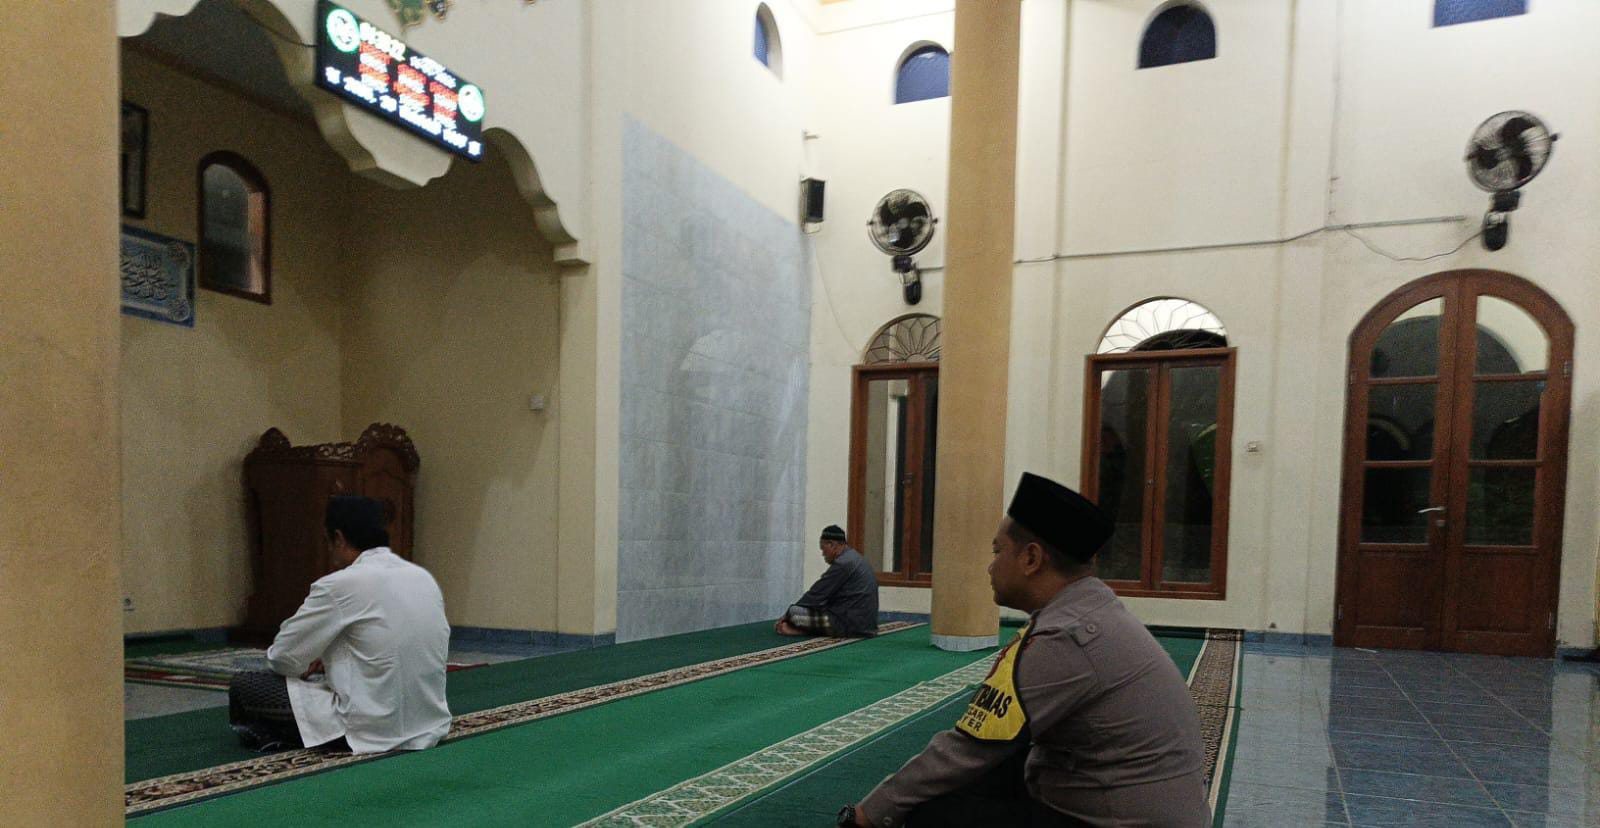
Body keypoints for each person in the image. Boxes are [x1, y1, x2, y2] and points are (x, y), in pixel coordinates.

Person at [841, 473, 1209, 828]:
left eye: (998, 551)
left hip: (1119, 818)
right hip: (1125, 803)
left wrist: (870, 813)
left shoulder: (1066, 637)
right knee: (991, 766)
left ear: (1031, 559)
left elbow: (969, 747)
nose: (990, 567)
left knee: (936, 811)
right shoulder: (1089, 611)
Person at [228, 495, 452, 754]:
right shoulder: (422, 577)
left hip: (369, 729)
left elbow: (281, 658)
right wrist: (332, 656)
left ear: (338, 538)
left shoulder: (338, 585)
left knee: (245, 684)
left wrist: (309, 662)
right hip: (429, 723)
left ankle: (282, 736)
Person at [776, 525, 880, 637]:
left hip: (849, 625)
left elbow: (816, 594)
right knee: (814, 609)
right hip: (866, 624)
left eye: (823, 549)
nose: (823, 554)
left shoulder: (843, 563)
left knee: (794, 613)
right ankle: (803, 630)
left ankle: (800, 631)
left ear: (832, 545)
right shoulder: (855, 557)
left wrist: (787, 616)